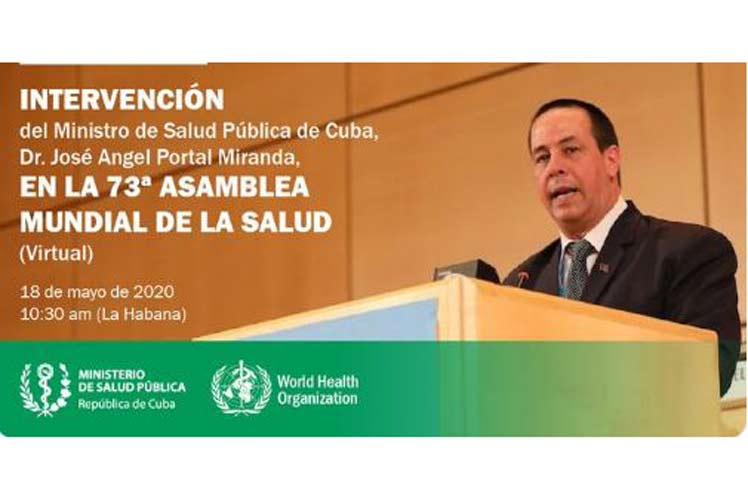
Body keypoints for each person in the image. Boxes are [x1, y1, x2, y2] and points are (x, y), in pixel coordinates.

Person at [503, 98, 741, 396]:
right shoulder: (520, 285)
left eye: (570, 150)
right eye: (542, 158)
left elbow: (709, 372)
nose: (554, 168)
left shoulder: (689, 251)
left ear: (611, 160)